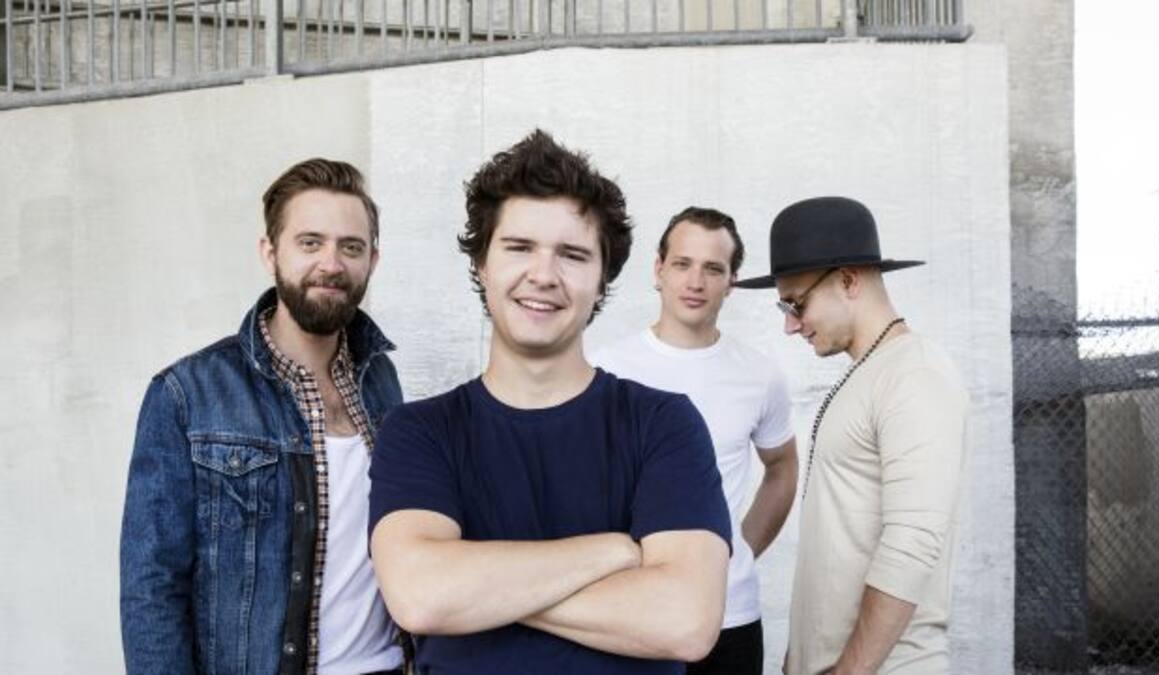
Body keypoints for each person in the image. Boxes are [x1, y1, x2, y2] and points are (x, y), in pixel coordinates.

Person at [368, 130, 732, 675]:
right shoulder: (419, 430)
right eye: (519, 248)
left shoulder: (663, 423)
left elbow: (685, 620)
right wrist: (613, 552)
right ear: (482, 265)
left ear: (602, 278)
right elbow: (421, 596)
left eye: (572, 255)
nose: (542, 275)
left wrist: (481, 593)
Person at [120, 159, 407, 675]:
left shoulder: (381, 380)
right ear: (270, 253)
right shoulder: (187, 393)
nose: (331, 264)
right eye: (310, 242)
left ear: (373, 260)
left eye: (351, 247)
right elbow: (152, 587)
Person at [735, 197, 967, 675]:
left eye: (796, 303)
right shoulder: (874, 371)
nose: (789, 324)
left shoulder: (915, 373)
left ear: (847, 281)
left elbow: (912, 543)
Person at [592, 206, 798, 675]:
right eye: (682, 264)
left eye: (713, 269)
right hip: (630, 613)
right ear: (659, 269)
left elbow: (782, 467)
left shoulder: (759, 375)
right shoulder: (606, 369)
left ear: (732, 281)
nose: (695, 282)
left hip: (730, 617)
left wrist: (735, 548)